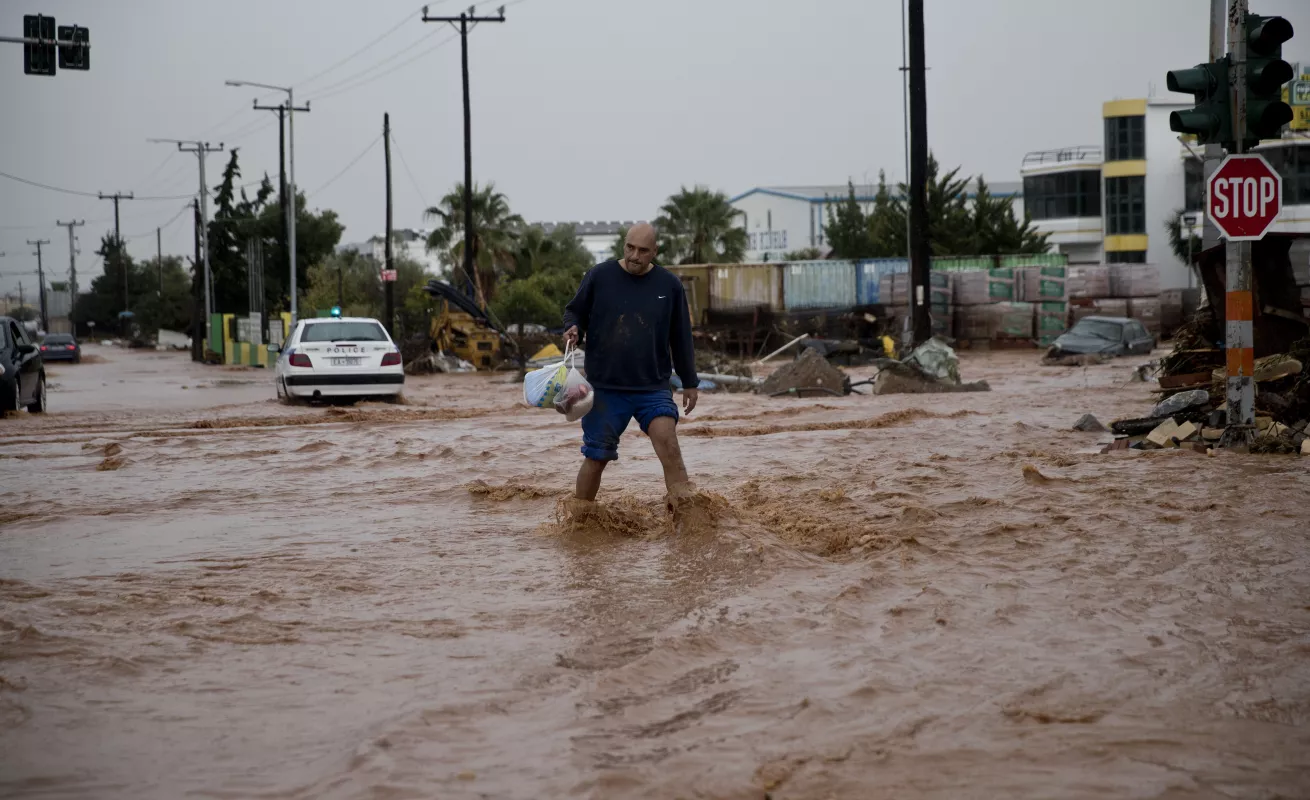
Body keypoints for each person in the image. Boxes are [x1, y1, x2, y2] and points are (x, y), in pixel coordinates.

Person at [562, 222, 699, 504]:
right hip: (605, 388)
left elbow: (681, 336)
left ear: (655, 252)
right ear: (624, 245)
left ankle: (689, 524)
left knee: (669, 447)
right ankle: (579, 523)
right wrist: (573, 327)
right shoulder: (599, 276)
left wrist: (689, 382)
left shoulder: (669, 285)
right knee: (596, 458)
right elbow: (574, 312)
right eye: (630, 248)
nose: (635, 256)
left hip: (653, 387)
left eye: (643, 250)